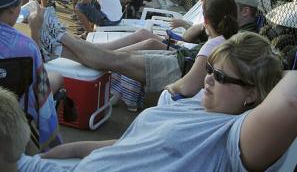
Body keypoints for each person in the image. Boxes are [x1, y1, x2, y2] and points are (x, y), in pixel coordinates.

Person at [17, 34, 297, 172]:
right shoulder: (198, 103)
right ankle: (56, 41)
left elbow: (291, 99)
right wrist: (72, 148)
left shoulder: (234, 136)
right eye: (210, 70)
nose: (208, 79)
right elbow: (136, 144)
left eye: (221, 76)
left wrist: (269, 71)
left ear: (252, 94)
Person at [37, 0, 238, 94]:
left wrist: (168, 94)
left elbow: (188, 85)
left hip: (171, 69)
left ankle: (61, 38)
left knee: (112, 60)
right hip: (175, 61)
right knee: (114, 58)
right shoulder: (226, 40)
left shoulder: (213, 45)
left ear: (206, 20)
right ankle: (57, 48)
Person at [0, 0, 61, 152]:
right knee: (55, 78)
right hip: (14, 112)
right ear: (12, 10)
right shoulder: (26, 46)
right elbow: (39, 84)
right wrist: (35, 30)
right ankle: (45, 145)